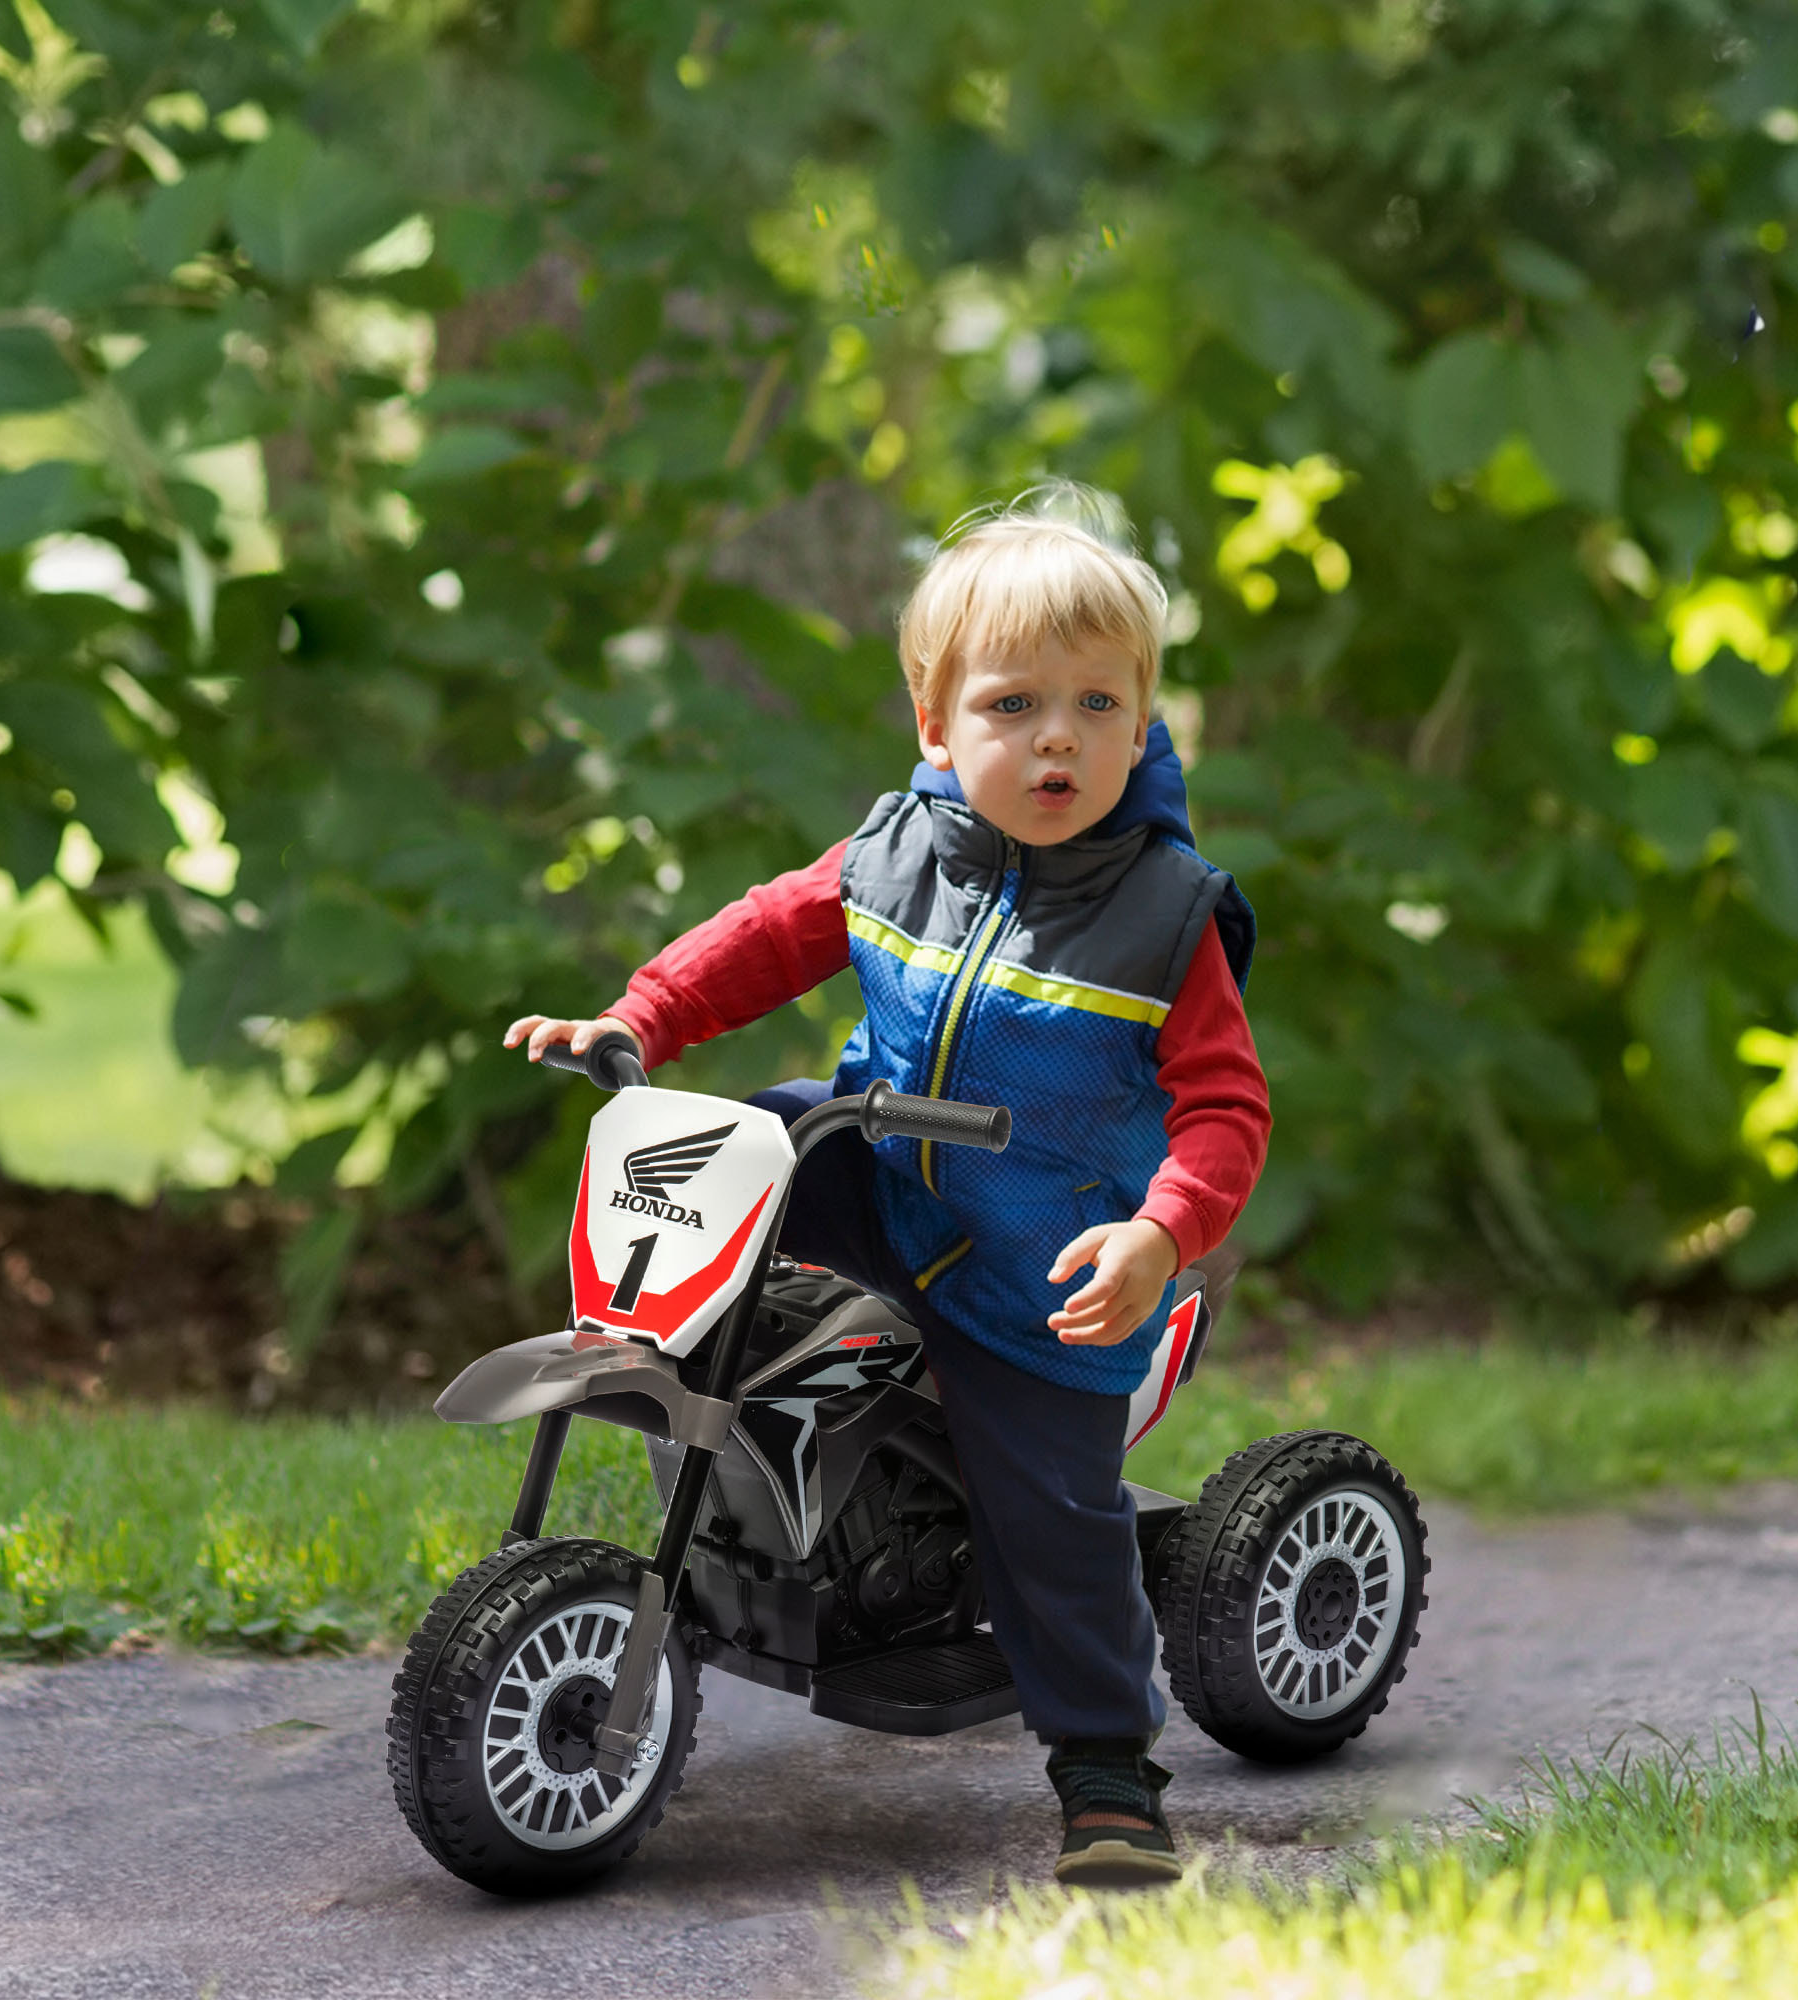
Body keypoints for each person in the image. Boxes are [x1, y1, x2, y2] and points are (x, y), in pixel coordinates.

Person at [506, 486, 1270, 1886]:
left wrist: (1160, 1234)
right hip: (878, 1174)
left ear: (1147, 718)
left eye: (1101, 706)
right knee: (742, 1139)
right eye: (1015, 704)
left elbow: (1225, 1108)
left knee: (1051, 1511)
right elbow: (766, 934)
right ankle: (689, 1362)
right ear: (936, 720)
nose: (1058, 737)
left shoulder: (1166, 916)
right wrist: (636, 1018)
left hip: (1035, 1261)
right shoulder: (897, 849)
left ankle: (1107, 1771)